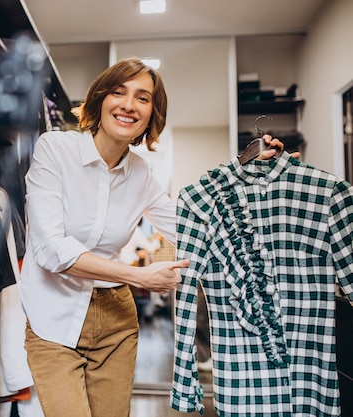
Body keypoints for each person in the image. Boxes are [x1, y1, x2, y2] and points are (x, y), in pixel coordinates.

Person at [18, 56, 289, 417]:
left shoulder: (142, 173)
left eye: (143, 98)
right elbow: (51, 250)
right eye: (119, 92)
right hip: (52, 321)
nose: (129, 105)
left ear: (152, 114)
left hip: (116, 322)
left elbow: (192, 226)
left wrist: (249, 174)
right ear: (100, 100)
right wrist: (138, 276)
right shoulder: (54, 150)